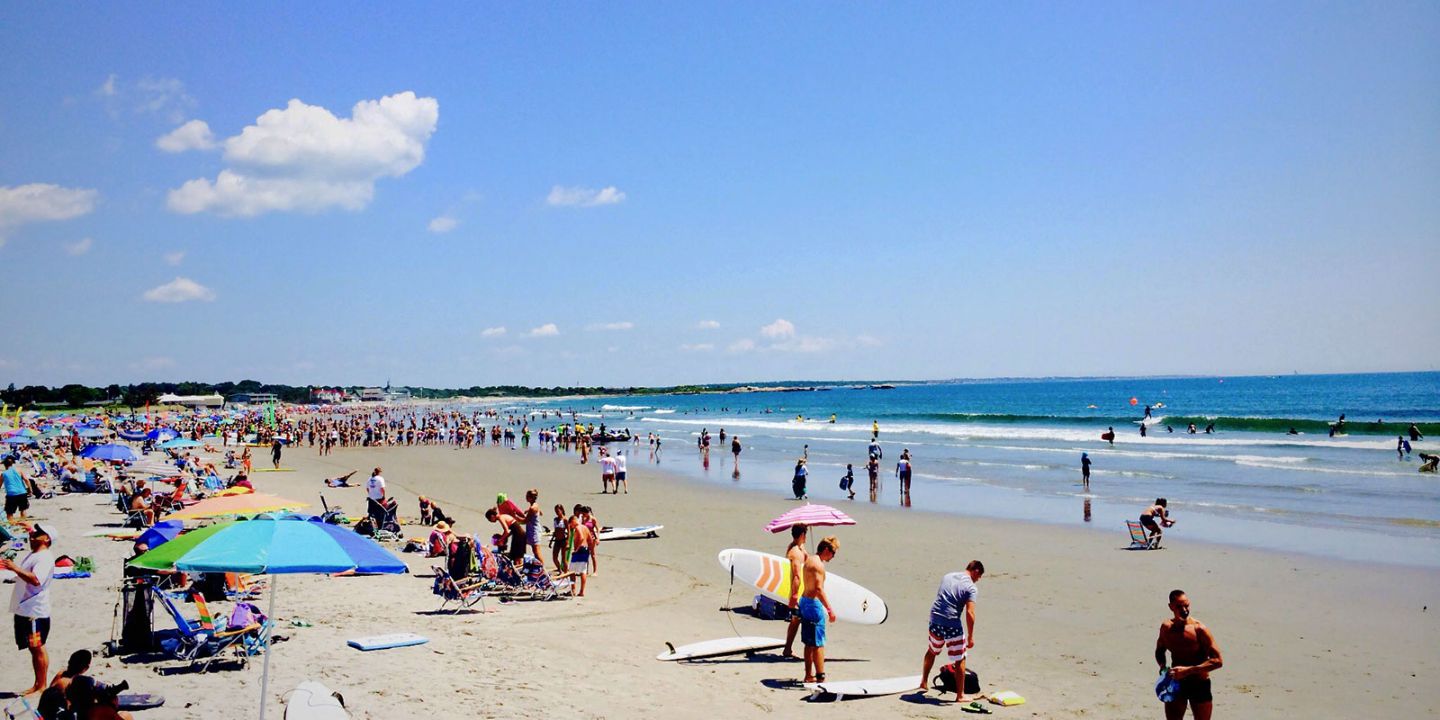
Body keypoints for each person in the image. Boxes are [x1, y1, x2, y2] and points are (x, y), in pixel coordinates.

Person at [918, 560, 985, 703]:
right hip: (951, 622)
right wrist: (971, 637)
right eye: (979, 577)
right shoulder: (971, 587)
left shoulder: (947, 576)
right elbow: (970, 613)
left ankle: (924, 682)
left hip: (935, 618)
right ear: (976, 571)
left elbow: (943, 599)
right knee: (960, 658)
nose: (978, 580)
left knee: (932, 650)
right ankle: (960, 695)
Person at [3, 522, 56, 697]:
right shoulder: (35, 554)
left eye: (37, 534)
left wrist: (14, 568)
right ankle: (38, 683)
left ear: (46, 539)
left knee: (37, 647)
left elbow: (35, 580)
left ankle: (41, 685)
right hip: (25, 608)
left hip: (34, 610)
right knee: (33, 648)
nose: (32, 536)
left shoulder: (45, 557)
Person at [1155, 589, 1223, 720]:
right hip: (1176, 683)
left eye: (1186, 605)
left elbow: (1218, 661)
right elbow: (1159, 650)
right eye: (1179, 606)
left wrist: (1188, 671)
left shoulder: (1199, 630)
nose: (1184, 610)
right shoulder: (1166, 628)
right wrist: (1163, 667)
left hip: (1199, 684)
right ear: (1170, 607)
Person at [798, 536, 838, 684]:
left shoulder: (809, 560)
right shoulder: (818, 566)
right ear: (827, 550)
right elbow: (819, 589)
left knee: (809, 643)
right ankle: (821, 678)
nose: (833, 557)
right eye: (833, 554)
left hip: (804, 601)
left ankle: (809, 675)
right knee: (818, 644)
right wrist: (830, 610)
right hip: (813, 605)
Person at [780, 525, 808, 659]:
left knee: (796, 620)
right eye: (806, 533)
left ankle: (788, 648)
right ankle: (787, 649)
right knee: (795, 620)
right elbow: (797, 575)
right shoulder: (795, 552)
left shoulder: (797, 548)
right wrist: (795, 595)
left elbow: (806, 561)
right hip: (796, 591)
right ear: (802, 534)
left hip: (800, 590)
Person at [3, 458, 29, 523]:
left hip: (11, 494)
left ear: (5, 465)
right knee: (23, 510)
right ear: (12, 464)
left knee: (9, 513)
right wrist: (30, 489)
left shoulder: (4, 474)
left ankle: (11, 525)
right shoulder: (19, 471)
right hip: (22, 492)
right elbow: (26, 479)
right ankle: (24, 525)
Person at [524, 489, 544, 570]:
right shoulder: (534, 505)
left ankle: (542, 569)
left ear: (531, 497)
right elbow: (540, 512)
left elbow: (525, 520)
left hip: (534, 531)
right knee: (534, 550)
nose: (526, 497)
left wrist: (515, 517)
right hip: (533, 530)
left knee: (537, 551)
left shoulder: (533, 508)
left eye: (527, 496)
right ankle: (539, 568)